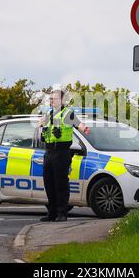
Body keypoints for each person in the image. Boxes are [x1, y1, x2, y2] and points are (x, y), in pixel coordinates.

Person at [39, 89, 90, 222]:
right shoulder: (49, 114)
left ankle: (62, 213)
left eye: (54, 98)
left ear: (61, 100)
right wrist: (41, 125)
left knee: (61, 184)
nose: (51, 101)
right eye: (50, 99)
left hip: (61, 152)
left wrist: (84, 128)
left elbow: (78, 124)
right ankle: (52, 213)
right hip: (49, 152)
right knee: (49, 184)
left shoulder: (67, 113)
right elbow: (43, 131)